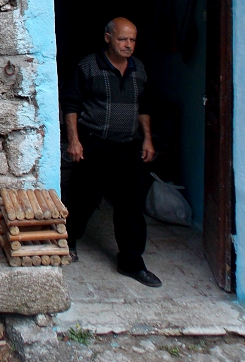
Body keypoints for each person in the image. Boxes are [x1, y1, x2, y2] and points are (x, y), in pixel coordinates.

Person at [61, 17, 161, 288]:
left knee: (131, 205)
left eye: (132, 40)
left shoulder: (139, 69)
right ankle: (68, 241)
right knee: (82, 199)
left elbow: (144, 107)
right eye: (122, 39)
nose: (128, 45)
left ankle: (131, 262)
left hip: (128, 146)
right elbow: (71, 104)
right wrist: (74, 141)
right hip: (95, 143)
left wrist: (147, 140)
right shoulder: (88, 66)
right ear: (108, 38)